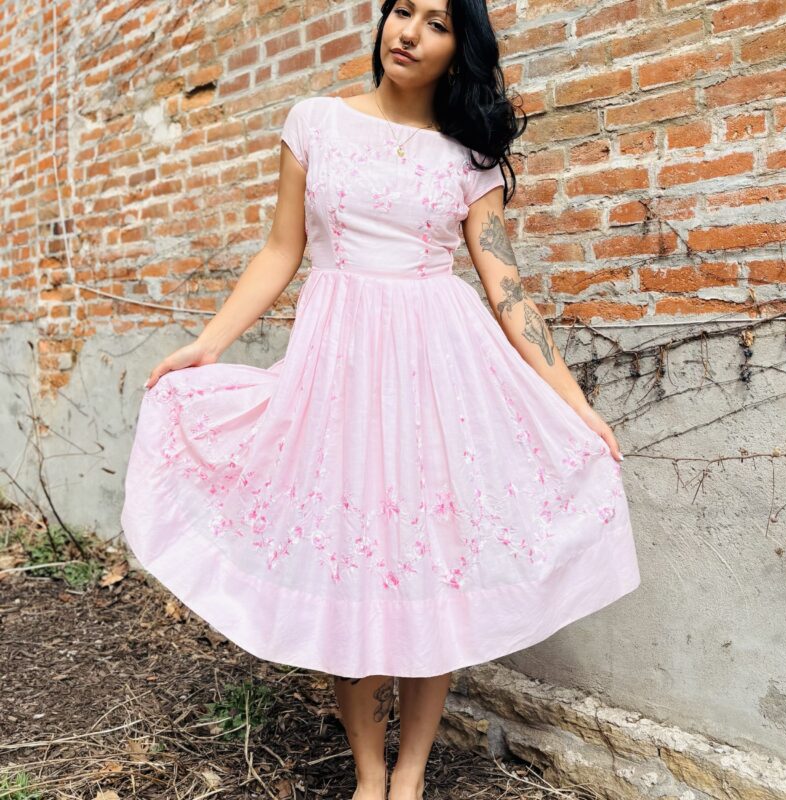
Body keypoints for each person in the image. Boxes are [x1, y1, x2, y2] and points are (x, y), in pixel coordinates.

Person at [120, 1, 641, 798]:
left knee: (432, 571)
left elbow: (507, 290)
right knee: (350, 570)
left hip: (441, 376)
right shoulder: (316, 123)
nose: (409, 32)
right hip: (338, 376)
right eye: (403, 10)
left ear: (459, 48)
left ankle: (411, 776)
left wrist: (573, 402)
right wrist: (210, 341)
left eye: (436, 23)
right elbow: (282, 247)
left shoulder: (469, 160)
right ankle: (369, 776)